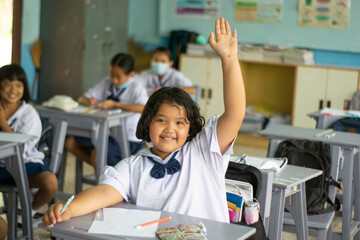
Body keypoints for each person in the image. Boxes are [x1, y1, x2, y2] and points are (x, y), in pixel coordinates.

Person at [43, 17, 245, 226]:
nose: (169, 129)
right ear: (148, 122)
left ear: (190, 128)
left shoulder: (203, 151)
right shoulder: (133, 166)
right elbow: (104, 191)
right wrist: (68, 209)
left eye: (179, 123)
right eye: (161, 120)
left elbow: (235, 114)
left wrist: (229, 58)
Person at [65, 53, 148, 169]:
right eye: (111, 75)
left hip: (128, 139)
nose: (114, 80)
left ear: (131, 75)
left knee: (99, 153)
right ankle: (105, 171)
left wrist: (116, 104)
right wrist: (88, 101)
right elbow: (82, 98)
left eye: (118, 77)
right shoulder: (107, 83)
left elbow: (144, 108)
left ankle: (104, 178)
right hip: (106, 133)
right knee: (70, 143)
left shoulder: (137, 87)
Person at [0, 63, 58, 212]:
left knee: (50, 182)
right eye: (8, 85)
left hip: (24, 165)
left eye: (18, 85)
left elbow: (20, 149)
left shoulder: (29, 114)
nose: (13, 90)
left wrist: (3, 124)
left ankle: (27, 211)